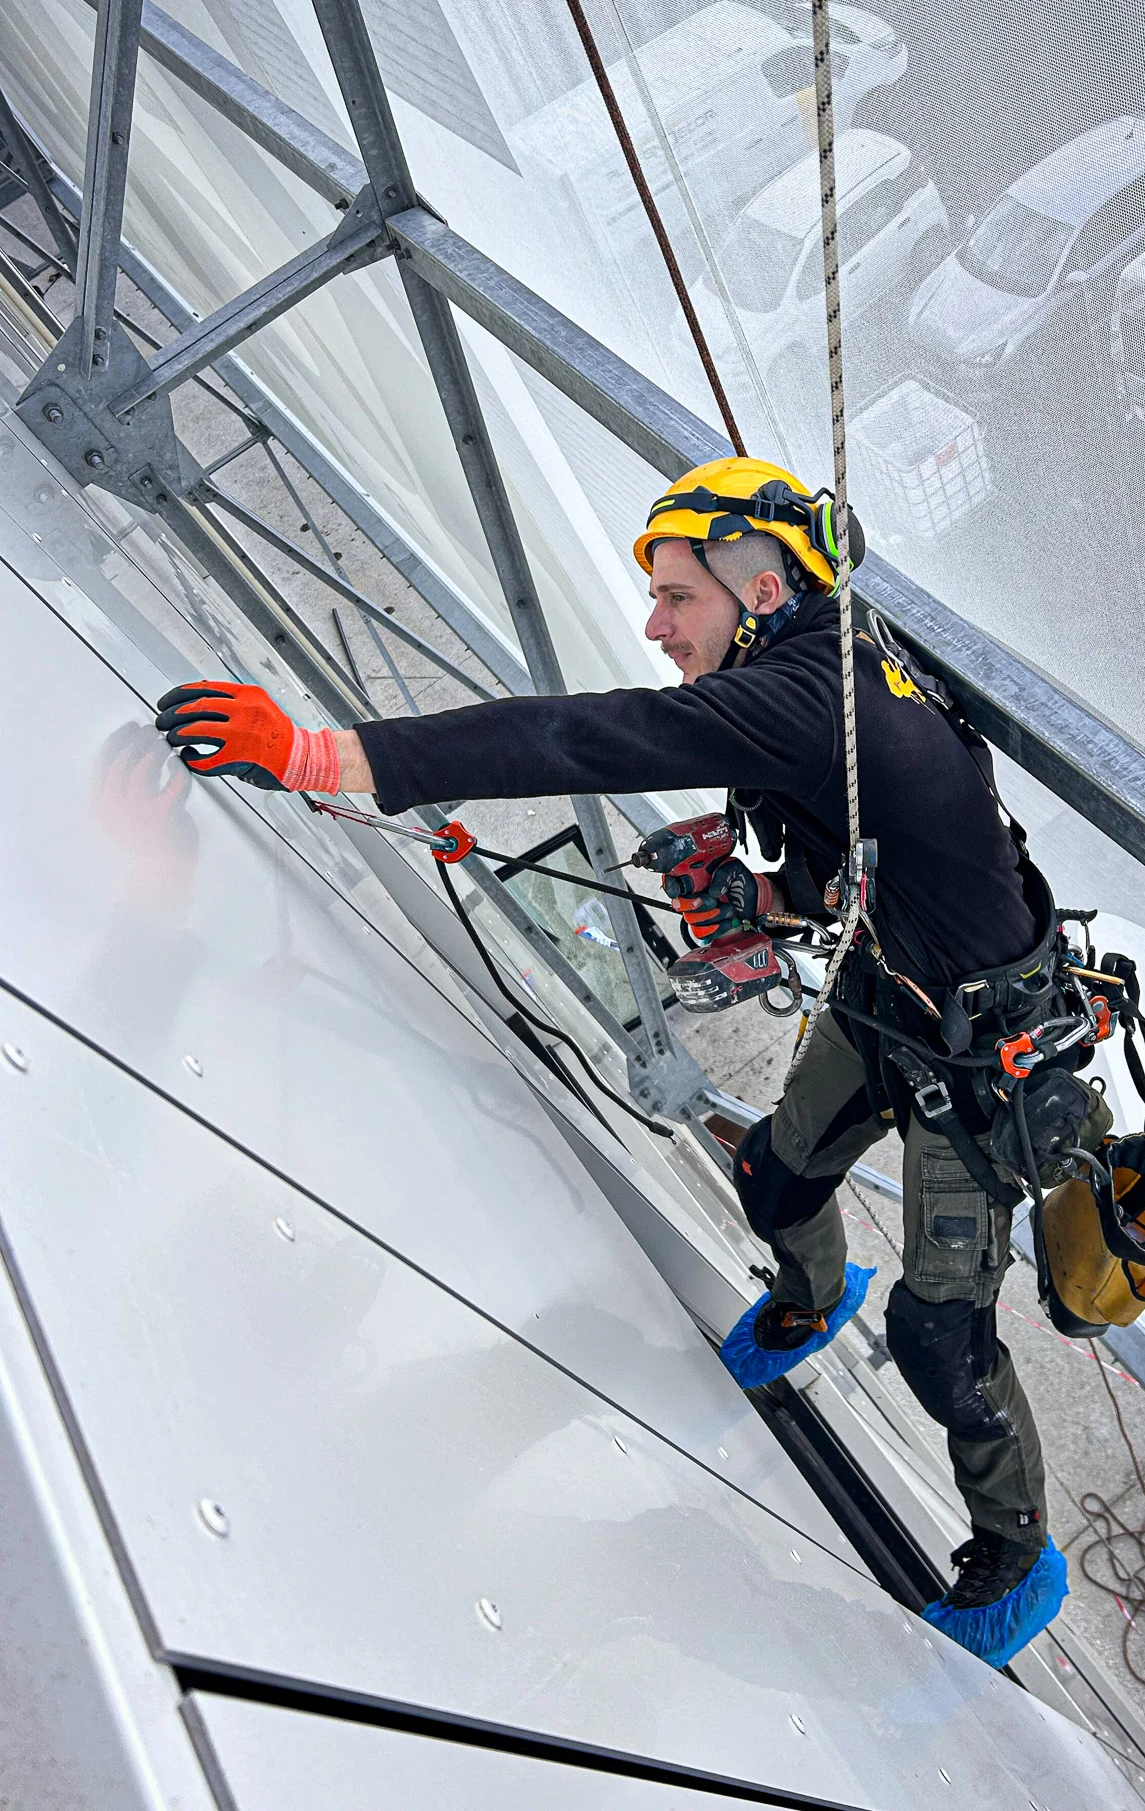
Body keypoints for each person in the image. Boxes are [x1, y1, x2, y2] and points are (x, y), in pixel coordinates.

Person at [155, 455, 1071, 1663]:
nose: (654, 623)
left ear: (756, 585)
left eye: (676, 597)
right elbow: (878, 837)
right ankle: (808, 1292)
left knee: (939, 1334)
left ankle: (1016, 1554)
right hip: (888, 990)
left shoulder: (807, 697)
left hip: (983, 1054)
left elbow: (583, 737)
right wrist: (770, 892)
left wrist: (324, 756)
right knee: (777, 1181)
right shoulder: (819, 657)